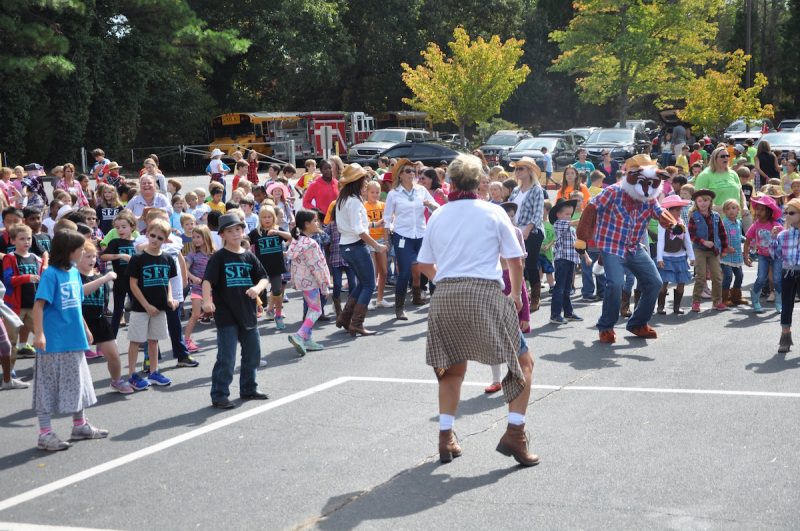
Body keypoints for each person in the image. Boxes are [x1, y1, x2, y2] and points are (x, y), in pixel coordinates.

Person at [417, 153, 538, 467]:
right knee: (522, 363)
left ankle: (445, 436)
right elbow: (515, 259)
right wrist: (514, 294)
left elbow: (424, 264)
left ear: (451, 182)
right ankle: (515, 433)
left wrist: (444, 281)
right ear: (479, 182)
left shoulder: (439, 214)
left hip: (445, 296)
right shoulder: (492, 212)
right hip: (484, 293)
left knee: (452, 369)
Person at [576, 154, 681, 344]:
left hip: (634, 247)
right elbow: (591, 208)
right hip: (611, 245)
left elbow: (659, 212)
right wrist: (582, 239)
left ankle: (638, 324)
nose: (648, 186)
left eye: (652, 182)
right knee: (615, 283)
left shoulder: (649, 196)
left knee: (654, 282)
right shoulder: (613, 192)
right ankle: (606, 327)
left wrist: (673, 224)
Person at [32, 229, 108, 451]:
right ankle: (45, 434)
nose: (83, 252)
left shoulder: (74, 272)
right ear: (68, 251)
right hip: (54, 341)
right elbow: (39, 306)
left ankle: (80, 426)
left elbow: (75, 302)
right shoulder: (50, 274)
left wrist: (84, 327)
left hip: (74, 338)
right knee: (48, 387)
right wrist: (39, 334)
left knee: (78, 383)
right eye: (80, 249)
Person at [202, 213, 270, 409]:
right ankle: (219, 394)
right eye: (230, 231)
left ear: (243, 231)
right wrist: (207, 301)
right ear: (222, 235)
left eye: (238, 229)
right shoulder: (219, 257)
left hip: (247, 312)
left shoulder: (248, 255)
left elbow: (263, 277)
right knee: (227, 357)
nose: (235, 233)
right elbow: (208, 280)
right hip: (226, 314)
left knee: (253, 354)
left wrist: (257, 288)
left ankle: (249, 388)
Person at [125, 218, 178, 390]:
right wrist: (146, 305)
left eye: (160, 238)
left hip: (160, 308)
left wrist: (170, 297)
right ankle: (132, 374)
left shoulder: (168, 259)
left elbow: (167, 281)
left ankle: (154, 372)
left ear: (166, 240)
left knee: (153, 341)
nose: (155, 240)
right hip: (141, 308)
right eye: (153, 235)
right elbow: (133, 284)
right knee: (136, 341)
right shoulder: (138, 258)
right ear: (147, 234)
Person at [335, 164, 387, 335]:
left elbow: (355, 226)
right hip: (356, 246)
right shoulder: (355, 202)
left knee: (362, 283)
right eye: (364, 179)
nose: (366, 182)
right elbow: (359, 230)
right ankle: (356, 323)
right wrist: (376, 245)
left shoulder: (343, 199)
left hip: (346, 246)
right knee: (369, 284)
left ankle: (345, 317)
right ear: (357, 181)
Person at [383, 158, 438, 318]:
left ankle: (435, 305)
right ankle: (399, 309)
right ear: (400, 175)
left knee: (431, 270)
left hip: (421, 234)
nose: (412, 174)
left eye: (414, 171)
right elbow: (387, 219)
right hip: (403, 236)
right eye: (408, 171)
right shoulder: (394, 194)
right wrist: (386, 240)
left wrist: (431, 205)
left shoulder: (421, 190)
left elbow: (437, 208)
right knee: (405, 272)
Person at [486, 201, 531, 394]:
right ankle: (496, 379)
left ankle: (516, 374)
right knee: (493, 340)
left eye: (512, 215)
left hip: (511, 291)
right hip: (494, 284)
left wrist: (525, 316)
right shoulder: (489, 235)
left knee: (514, 341)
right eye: (506, 215)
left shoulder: (516, 233)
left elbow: (521, 290)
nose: (509, 218)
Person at [77, 241, 132, 393]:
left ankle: (116, 381)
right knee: (76, 361)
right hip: (78, 320)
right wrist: (103, 279)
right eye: (87, 256)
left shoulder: (99, 275)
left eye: (94, 256)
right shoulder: (73, 275)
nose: (92, 260)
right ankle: (74, 388)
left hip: (99, 320)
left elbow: (105, 299)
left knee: (114, 355)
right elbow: (79, 292)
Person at [286, 210, 331, 356]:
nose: (317, 223)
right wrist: (324, 284)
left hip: (302, 280)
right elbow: (317, 266)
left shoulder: (297, 240)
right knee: (316, 310)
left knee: (312, 308)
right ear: (306, 224)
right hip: (311, 281)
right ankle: (300, 335)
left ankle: (308, 339)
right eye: (315, 220)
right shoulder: (310, 244)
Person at [508, 157, 546, 312]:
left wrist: (527, 230)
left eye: (521, 168)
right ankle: (522, 294)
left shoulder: (537, 190)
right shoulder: (516, 190)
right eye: (516, 169)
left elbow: (537, 214)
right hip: (516, 230)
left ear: (530, 171)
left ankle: (535, 297)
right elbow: (509, 209)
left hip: (532, 231)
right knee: (517, 265)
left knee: (530, 264)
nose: (517, 171)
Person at [3, 224, 43, 365]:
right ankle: (9, 374)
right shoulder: (10, 258)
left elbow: (42, 280)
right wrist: (27, 277)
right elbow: (8, 280)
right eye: (22, 239)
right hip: (14, 307)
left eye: (29, 238)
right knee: (11, 341)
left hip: (34, 306)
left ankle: (44, 367)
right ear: (13, 241)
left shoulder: (36, 259)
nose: (26, 242)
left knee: (42, 337)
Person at [249, 205, 292, 330]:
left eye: (269, 217)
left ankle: (277, 315)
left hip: (276, 267)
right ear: (260, 219)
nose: (267, 219)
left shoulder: (278, 229)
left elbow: (290, 237)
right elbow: (246, 241)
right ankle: (253, 315)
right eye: (264, 217)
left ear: (273, 218)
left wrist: (278, 232)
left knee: (277, 291)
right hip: (260, 268)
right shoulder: (256, 232)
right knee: (256, 292)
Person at [688, 189, 730, 312]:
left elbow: (722, 233)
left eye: (705, 200)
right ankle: (696, 301)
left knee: (717, 277)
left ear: (710, 201)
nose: (703, 203)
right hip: (699, 250)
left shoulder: (716, 216)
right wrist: (703, 242)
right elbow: (691, 235)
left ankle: (717, 301)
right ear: (696, 202)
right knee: (700, 276)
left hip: (714, 250)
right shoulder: (694, 217)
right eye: (700, 201)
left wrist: (724, 248)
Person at [549, 199, 587, 324]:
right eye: (566, 214)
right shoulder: (558, 224)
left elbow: (577, 244)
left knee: (566, 288)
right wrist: (584, 219)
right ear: (558, 215)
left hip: (571, 260)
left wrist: (585, 256)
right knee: (559, 288)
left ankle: (568, 312)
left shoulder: (570, 229)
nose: (568, 217)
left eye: (570, 215)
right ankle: (555, 314)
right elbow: (573, 223)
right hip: (562, 260)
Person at [99, 211, 137, 336]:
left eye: (124, 227)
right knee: (118, 311)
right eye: (117, 227)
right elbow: (103, 256)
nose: (120, 230)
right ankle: (112, 338)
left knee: (138, 311)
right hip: (120, 282)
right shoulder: (115, 242)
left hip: (135, 282)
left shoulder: (137, 242)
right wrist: (120, 255)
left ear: (132, 227)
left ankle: (141, 338)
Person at [655, 195, 694, 314]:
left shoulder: (682, 223)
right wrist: (659, 257)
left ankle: (677, 306)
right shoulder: (663, 224)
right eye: (677, 210)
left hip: (680, 256)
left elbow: (687, 240)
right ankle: (660, 306)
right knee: (664, 281)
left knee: (681, 281)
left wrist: (692, 256)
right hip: (667, 256)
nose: (679, 212)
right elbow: (660, 241)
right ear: (669, 211)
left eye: (680, 209)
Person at [744, 194, 784, 313]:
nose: (758, 212)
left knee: (777, 279)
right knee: (761, 278)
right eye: (757, 209)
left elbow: (784, 236)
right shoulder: (755, 225)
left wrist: (778, 232)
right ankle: (755, 300)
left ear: (769, 212)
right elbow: (747, 242)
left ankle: (779, 301)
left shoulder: (776, 224)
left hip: (776, 256)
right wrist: (746, 257)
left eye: (762, 210)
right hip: (763, 256)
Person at [772, 198, 800, 352]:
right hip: (788, 272)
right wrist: (773, 239)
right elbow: (776, 255)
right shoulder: (783, 234)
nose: (787, 216)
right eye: (786, 213)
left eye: (792, 213)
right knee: (786, 304)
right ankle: (785, 336)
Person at [364, 181, 390, 310]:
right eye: (372, 192)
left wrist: (386, 241)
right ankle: (368, 300)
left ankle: (380, 299)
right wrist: (376, 223)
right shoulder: (363, 206)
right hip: (368, 240)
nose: (375, 194)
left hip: (380, 240)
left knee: (384, 271)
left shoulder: (383, 205)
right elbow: (363, 225)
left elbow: (387, 224)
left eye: (377, 192)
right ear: (367, 192)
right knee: (371, 272)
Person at [719, 199, 747, 307]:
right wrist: (726, 247)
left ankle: (736, 296)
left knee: (740, 275)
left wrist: (747, 239)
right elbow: (719, 237)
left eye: (734, 208)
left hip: (736, 255)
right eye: (728, 209)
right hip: (726, 256)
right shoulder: (724, 223)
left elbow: (739, 236)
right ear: (725, 211)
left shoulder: (738, 222)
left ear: (738, 210)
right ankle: (724, 298)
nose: (731, 211)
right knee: (728, 276)